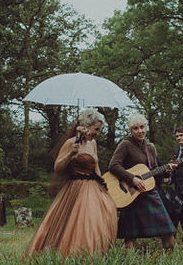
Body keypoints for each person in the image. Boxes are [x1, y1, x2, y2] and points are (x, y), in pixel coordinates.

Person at [26, 108, 118, 256]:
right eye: (96, 129)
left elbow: (96, 167)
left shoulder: (93, 144)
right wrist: (71, 154)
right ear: (86, 126)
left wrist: (103, 185)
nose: (98, 133)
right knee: (81, 221)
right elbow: (57, 167)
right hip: (76, 187)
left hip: (94, 186)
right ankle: (75, 253)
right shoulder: (70, 143)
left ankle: (98, 252)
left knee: (105, 212)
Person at [108, 114, 177, 251]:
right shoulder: (125, 144)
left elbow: (154, 170)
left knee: (167, 228)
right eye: (135, 128)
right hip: (131, 194)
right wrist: (132, 178)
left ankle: (170, 260)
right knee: (130, 234)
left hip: (149, 192)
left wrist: (167, 170)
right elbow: (113, 165)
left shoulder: (150, 147)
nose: (140, 131)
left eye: (142, 127)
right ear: (130, 130)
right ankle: (128, 263)